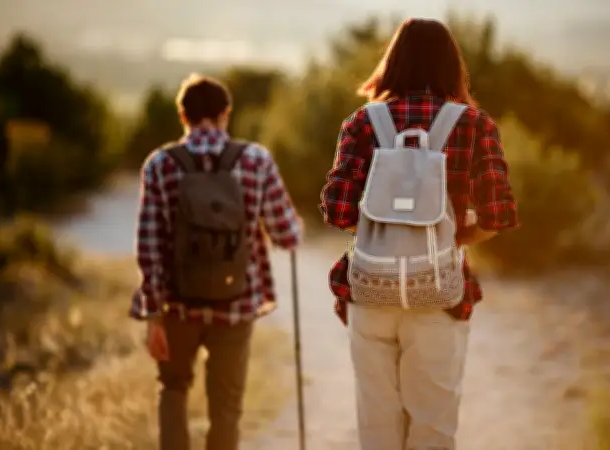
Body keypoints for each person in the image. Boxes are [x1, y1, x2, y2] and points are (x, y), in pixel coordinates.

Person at [319, 18, 519, 450]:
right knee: (433, 426)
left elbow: (337, 211)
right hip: (438, 292)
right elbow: (497, 216)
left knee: (377, 425)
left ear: (392, 63)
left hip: (370, 290)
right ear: (451, 66)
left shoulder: (363, 123)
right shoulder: (474, 125)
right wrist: (451, 237)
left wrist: (382, 229)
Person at [131, 74, 302, 450]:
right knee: (226, 408)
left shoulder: (160, 164)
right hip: (236, 302)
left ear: (183, 116)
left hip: (177, 305)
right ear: (226, 114)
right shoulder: (256, 160)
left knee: (173, 388)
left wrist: (153, 314)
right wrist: (293, 228)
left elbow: (149, 247)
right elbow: (286, 235)